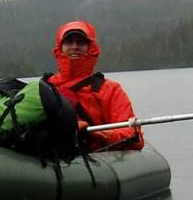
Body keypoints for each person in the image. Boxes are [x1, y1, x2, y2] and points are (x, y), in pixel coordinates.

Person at [46, 20, 144, 151]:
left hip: (96, 158)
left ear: (90, 48)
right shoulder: (46, 87)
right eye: (69, 42)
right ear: (60, 48)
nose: (75, 46)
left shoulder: (110, 90)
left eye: (81, 42)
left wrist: (93, 133)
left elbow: (132, 135)